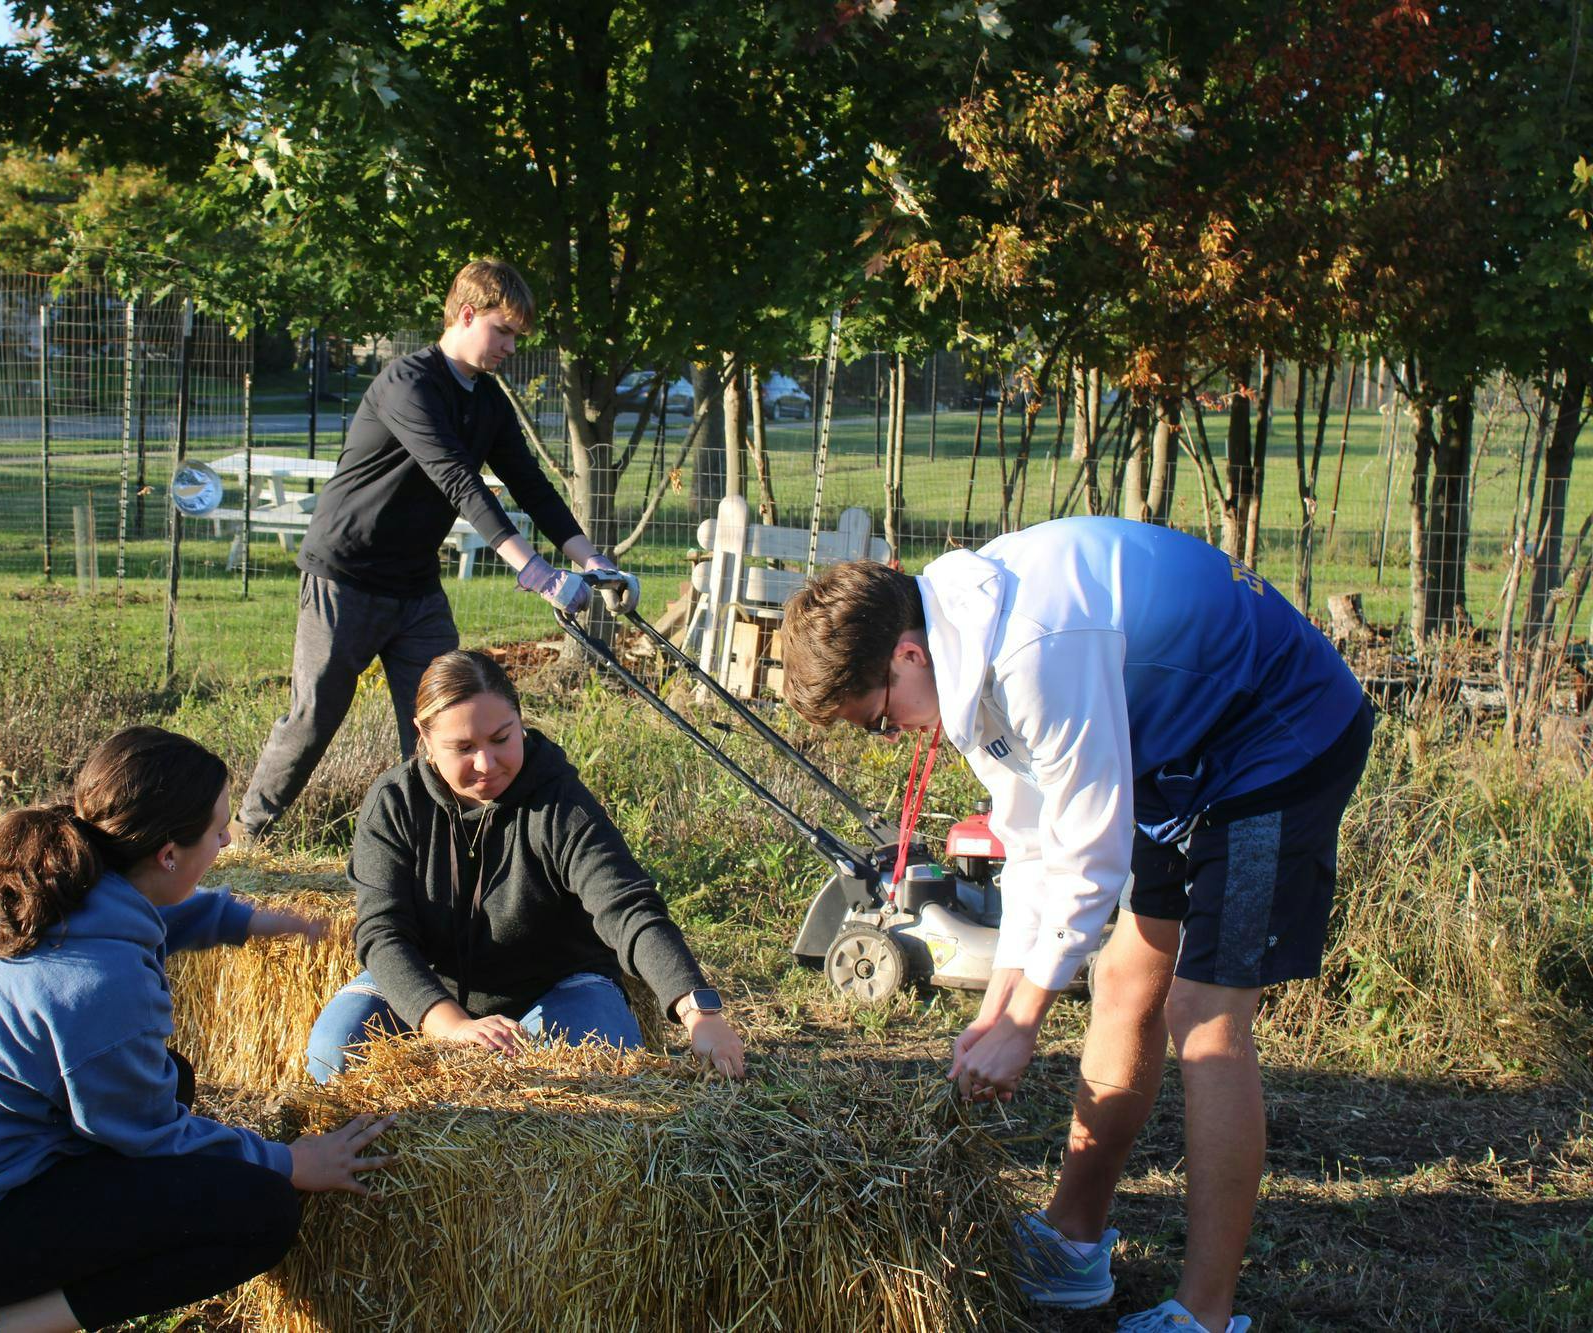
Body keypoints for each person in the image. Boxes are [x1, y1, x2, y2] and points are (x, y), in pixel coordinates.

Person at [776, 516, 1373, 1333]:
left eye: (879, 717)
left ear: (906, 653)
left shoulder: (1030, 650)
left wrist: (1025, 1021)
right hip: (1178, 745)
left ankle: (1205, 1314)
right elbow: (1029, 843)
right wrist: (996, 1006)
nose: (890, 734)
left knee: (1205, 1016)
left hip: (1275, 734)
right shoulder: (965, 652)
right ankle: (1072, 1243)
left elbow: (1090, 853)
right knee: (1127, 978)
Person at [0, 726, 396, 1333]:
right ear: (168, 854)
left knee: (170, 1078)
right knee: (259, 1211)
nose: (228, 839)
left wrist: (238, 919)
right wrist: (287, 1162)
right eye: (218, 830)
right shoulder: (103, 984)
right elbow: (150, 1136)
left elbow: (126, 912)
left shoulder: (21, 879)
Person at [235, 259, 638, 842]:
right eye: (502, 331)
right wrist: (537, 574)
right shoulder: (408, 384)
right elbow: (458, 481)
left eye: (516, 337)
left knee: (446, 722)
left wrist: (591, 560)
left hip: (416, 588)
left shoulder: (489, 402)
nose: (509, 346)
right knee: (313, 719)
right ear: (467, 314)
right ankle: (250, 835)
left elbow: (531, 485)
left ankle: (432, 847)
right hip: (345, 576)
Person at [305, 650, 746, 1083]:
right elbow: (383, 934)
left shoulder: (560, 803)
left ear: (520, 718)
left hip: (555, 988)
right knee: (333, 1051)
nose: (486, 764)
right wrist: (450, 1024)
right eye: (462, 747)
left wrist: (698, 1010)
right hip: (430, 984)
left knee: (592, 1062)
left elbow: (626, 904)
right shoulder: (395, 804)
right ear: (422, 735)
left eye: (501, 738)